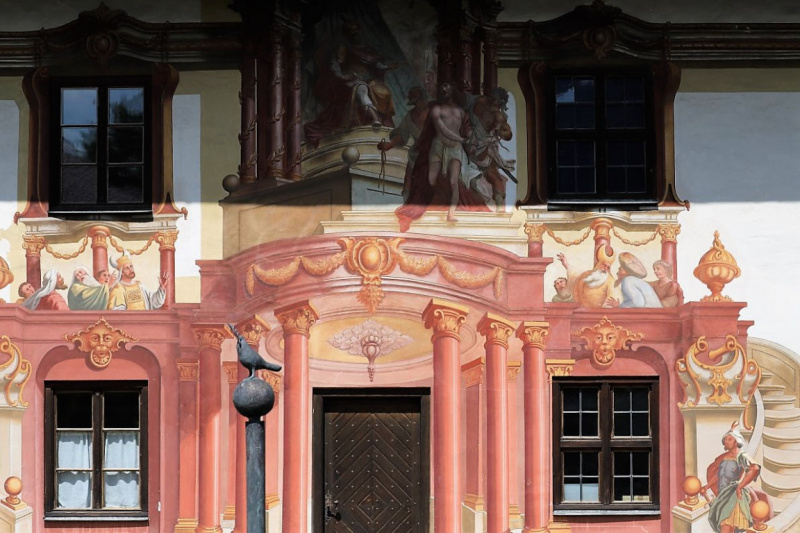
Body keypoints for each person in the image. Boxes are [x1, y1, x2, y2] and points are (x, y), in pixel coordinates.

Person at [395, 82, 490, 232]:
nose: (444, 90)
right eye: (442, 88)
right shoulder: (436, 110)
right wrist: (463, 139)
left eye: (447, 87)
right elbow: (443, 129)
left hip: (455, 150)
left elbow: (467, 128)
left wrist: (471, 138)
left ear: (452, 91)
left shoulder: (461, 112)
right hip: (438, 146)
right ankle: (435, 202)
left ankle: (451, 214)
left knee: (454, 182)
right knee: (431, 179)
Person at [304, 20, 399, 147]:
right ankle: (374, 118)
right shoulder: (343, 48)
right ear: (348, 34)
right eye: (351, 32)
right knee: (360, 89)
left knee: (384, 92)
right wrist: (342, 76)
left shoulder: (366, 49)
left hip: (368, 80)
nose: (355, 34)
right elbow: (334, 65)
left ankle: (380, 120)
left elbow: (375, 64)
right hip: (349, 81)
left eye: (356, 31)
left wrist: (387, 67)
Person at [703, 422, 772, 533]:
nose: (726, 441)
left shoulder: (742, 456)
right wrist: (707, 486)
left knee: (726, 528)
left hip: (734, 497)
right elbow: (719, 475)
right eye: (725, 439)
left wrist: (740, 486)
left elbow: (754, 468)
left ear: (736, 442)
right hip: (723, 496)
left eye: (729, 439)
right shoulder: (725, 457)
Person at [466, 87, 515, 211]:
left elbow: (506, 135)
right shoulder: (485, 105)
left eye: (495, 100)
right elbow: (505, 135)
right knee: (494, 176)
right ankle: (499, 208)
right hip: (476, 144)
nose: (493, 101)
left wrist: (501, 129)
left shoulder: (496, 114)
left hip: (478, 145)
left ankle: (499, 210)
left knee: (494, 176)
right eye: (493, 98)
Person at [377, 86, 428, 199]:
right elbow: (402, 134)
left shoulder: (433, 112)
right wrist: (389, 145)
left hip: (434, 150)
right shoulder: (409, 116)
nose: (418, 104)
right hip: (418, 152)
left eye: (418, 100)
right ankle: (408, 199)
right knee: (410, 173)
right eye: (415, 102)